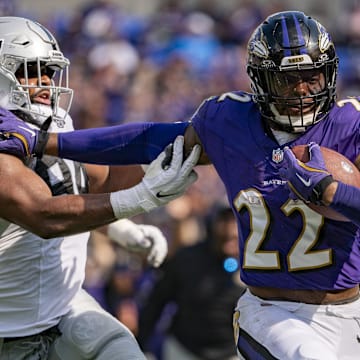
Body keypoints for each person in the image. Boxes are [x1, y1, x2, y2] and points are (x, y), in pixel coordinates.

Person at [1, 10, 360, 359]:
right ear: (260, 79)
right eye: (287, 79)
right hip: (274, 311)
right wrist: (44, 142)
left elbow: (103, 173)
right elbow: (148, 140)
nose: (301, 91)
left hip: (352, 309)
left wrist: (335, 193)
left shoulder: (350, 124)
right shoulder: (229, 120)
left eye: (311, 77)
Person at [0, 16, 200, 360]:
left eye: (49, 71)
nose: (46, 82)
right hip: (9, 328)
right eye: (31, 72)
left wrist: (122, 225)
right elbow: (44, 216)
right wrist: (138, 199)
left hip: (61, 303)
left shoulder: (53, 127)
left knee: (123, 351)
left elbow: (99, 180)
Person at [136, 204, 244, 360]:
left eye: (236, 222)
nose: (230, 231)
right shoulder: (188, 258)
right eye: (225, 221)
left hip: (231, 352)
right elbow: (155, 302)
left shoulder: (256, 265)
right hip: (184, 350)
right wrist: (141, 346)